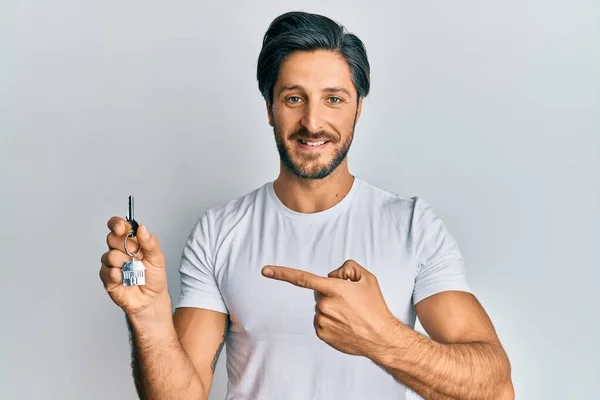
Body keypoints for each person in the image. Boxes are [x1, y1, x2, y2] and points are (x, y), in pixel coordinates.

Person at [99, 11, 514, 400]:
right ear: (269, 109)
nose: (313, 122)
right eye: (294, 98)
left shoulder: (412, 227)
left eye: (333, 99)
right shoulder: (219, 231)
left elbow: (496, 389)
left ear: (358, 108)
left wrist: (382, 338)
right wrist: (149, 315)